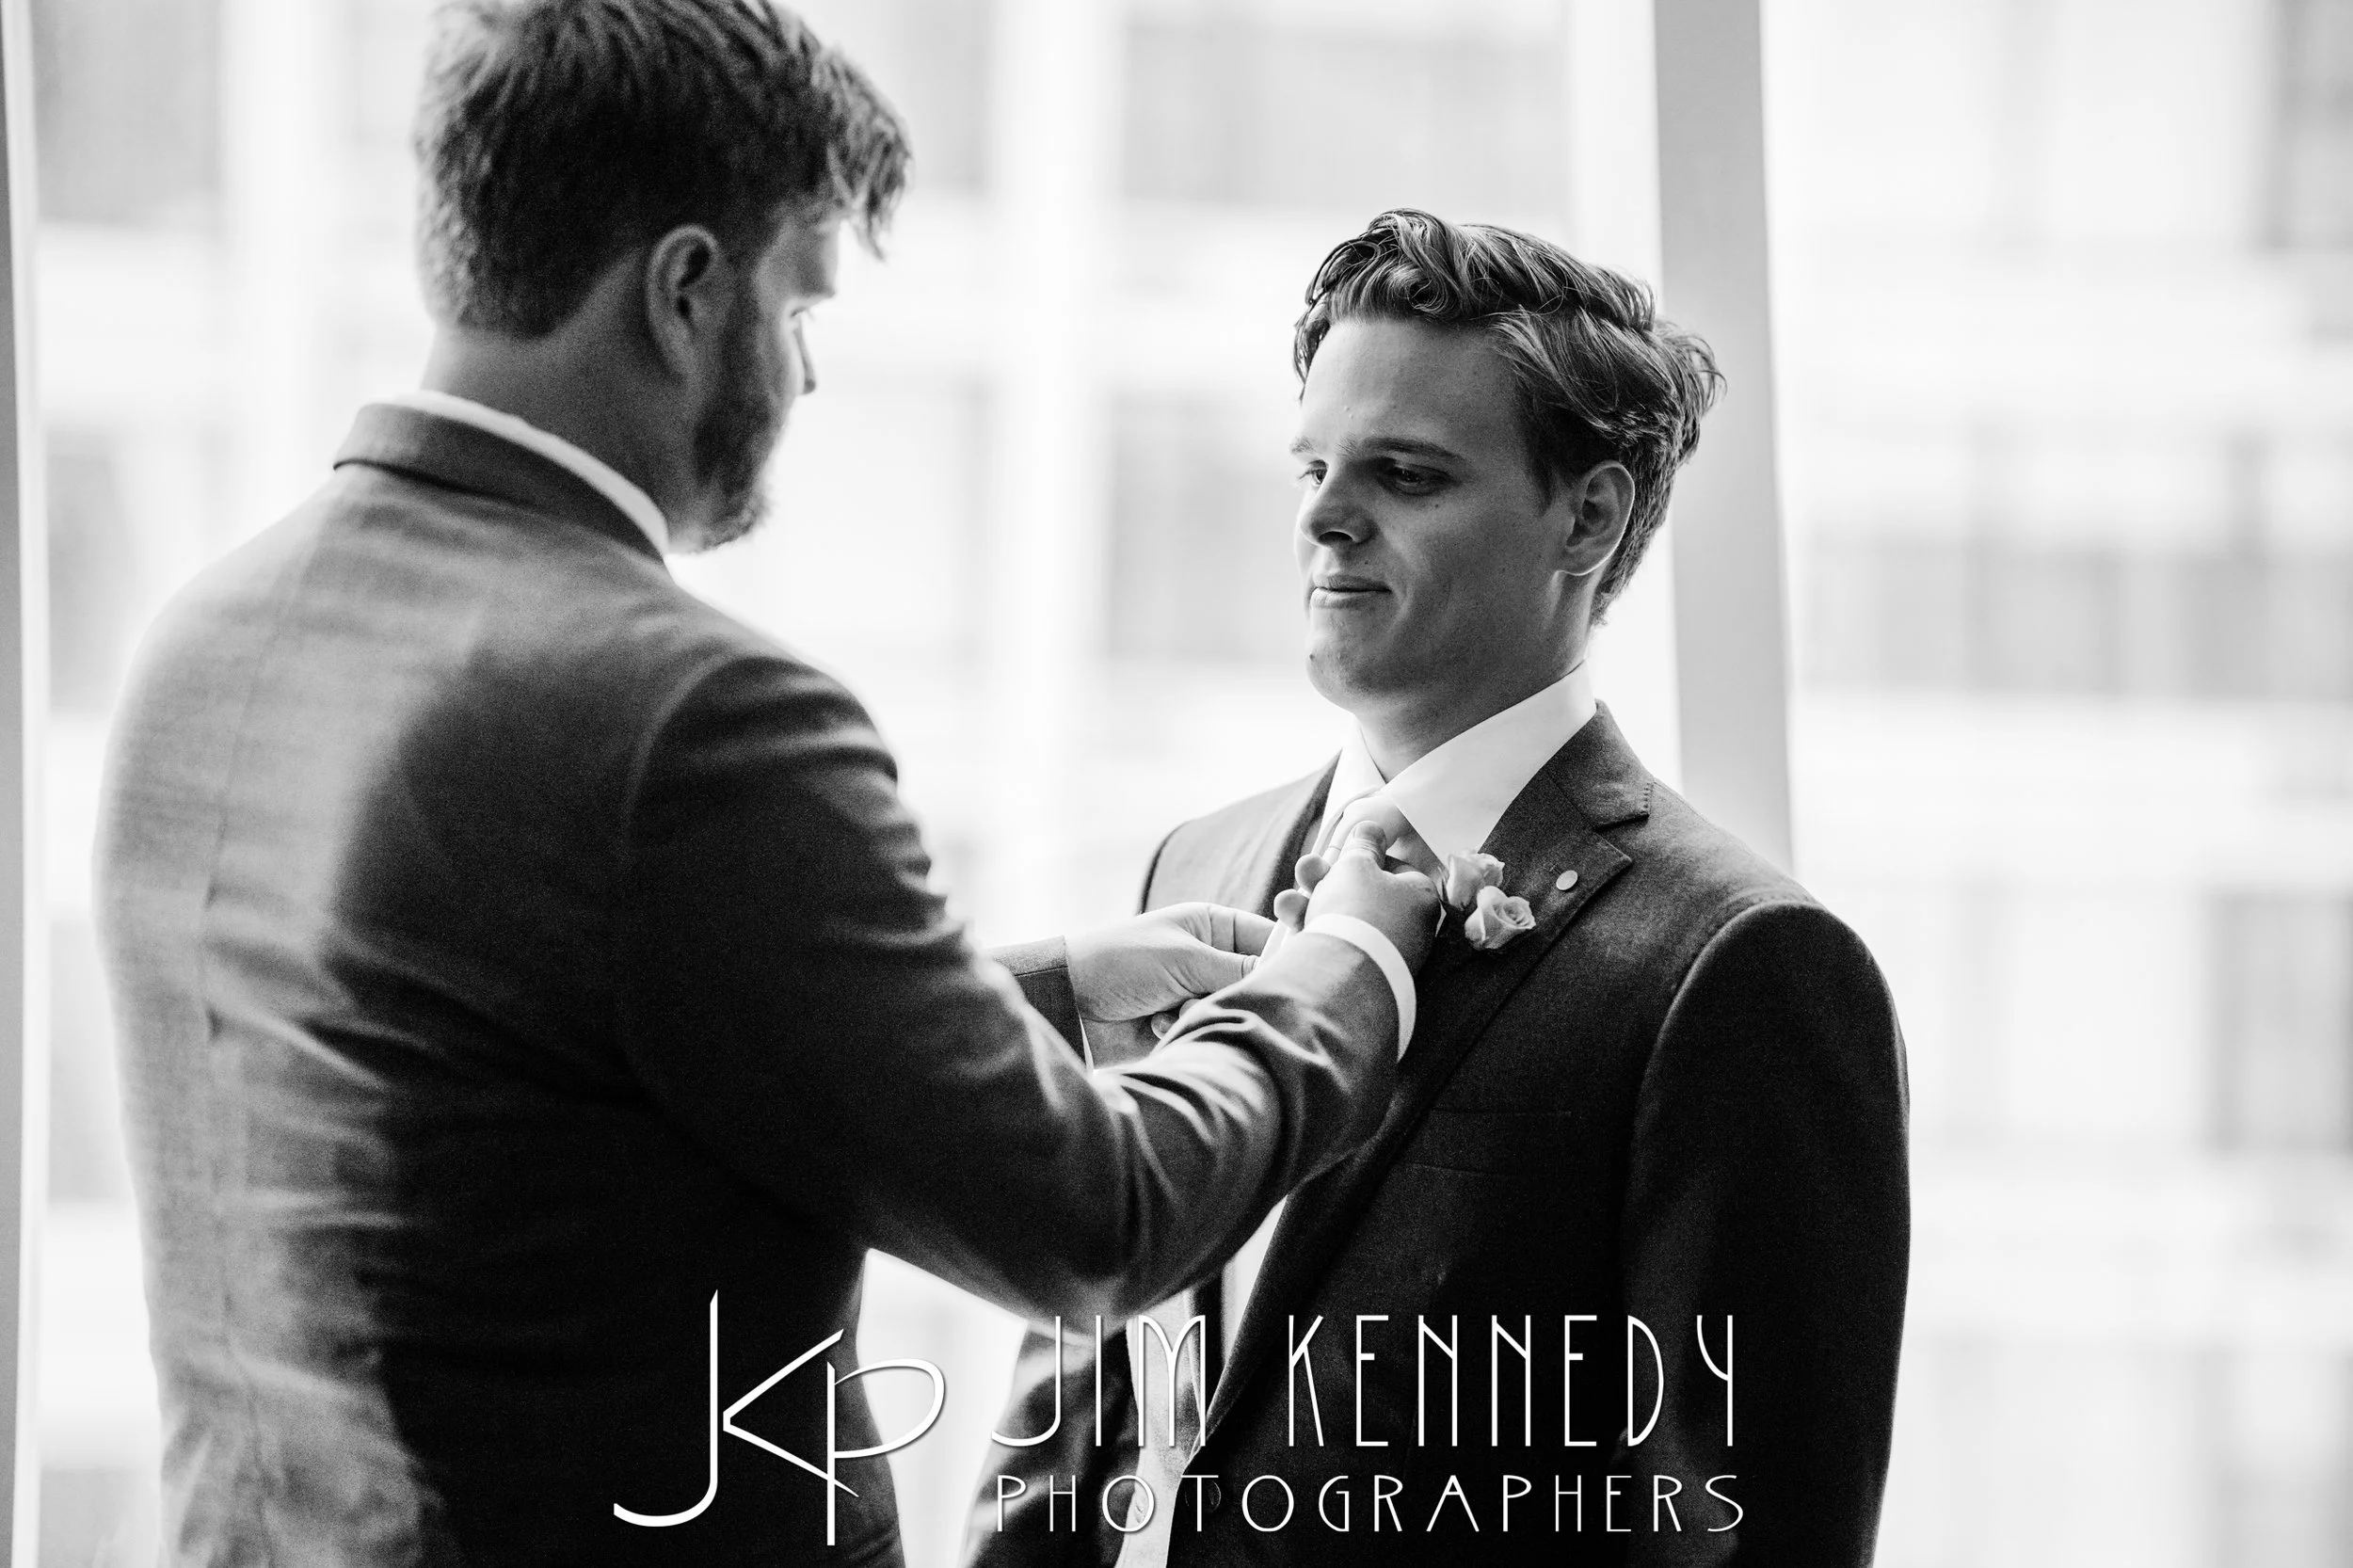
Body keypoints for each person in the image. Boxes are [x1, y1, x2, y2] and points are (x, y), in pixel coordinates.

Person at [91, 6, 1438, 1564]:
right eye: (801, 307)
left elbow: (510, 1079)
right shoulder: (695, 716)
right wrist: (1354, 955)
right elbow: (1098, 1219)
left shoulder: (202, 640)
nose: (805, 373)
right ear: (684, 291)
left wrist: (1046, 992)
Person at [972, 211, 1911, 1567]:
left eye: (1404, 474)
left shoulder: (1743, 967)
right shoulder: (1194, 869)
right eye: (1313, 466)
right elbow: (1076, 1424)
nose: (1322, 514)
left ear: (1589, 516)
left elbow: (1744, 1538)